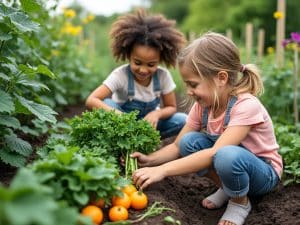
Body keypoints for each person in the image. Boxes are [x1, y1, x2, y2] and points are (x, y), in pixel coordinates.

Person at [131, 32, 283, 225]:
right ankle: (228, 188)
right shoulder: (203, 106)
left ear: (221, 78)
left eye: (193, 84)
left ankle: (239, 202)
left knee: (226, 155)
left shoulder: (246, 105)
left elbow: (215, 153)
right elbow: (178, 146)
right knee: (188, 142)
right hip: (234, 163)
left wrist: (163, 170)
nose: (188, 91)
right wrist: (150, 160)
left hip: (263, 173)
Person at [85, 9, 187, 139]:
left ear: (160, 60)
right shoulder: (120, 75)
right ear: (128, 55)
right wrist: (119, 115)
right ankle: (124, 140)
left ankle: (148, 139)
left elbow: (171, 107)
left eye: (151, 64)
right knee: (107, 103)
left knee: (183, 120)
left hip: (151, 125)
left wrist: (157, 114)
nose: (143, 70)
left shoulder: (163, 76)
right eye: (137, 63)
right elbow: (91, 100)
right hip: (121, 125)